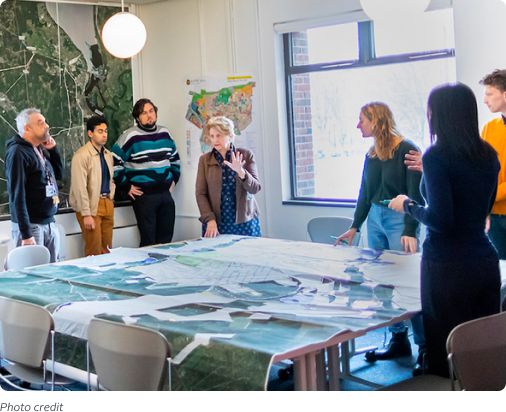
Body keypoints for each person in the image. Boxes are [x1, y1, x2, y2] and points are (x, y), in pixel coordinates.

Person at [388, 83, 501, 377]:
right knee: (483, 349)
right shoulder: (488, 154)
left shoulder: (436, 156)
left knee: (447, 354)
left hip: (448, 265)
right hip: (484, 259)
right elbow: (484, 207)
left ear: (438, 115)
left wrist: (407, 204)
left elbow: (440, 219)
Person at [334, 102, 425, 365]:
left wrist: (410, 228)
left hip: (400, 218)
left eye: (361, 120)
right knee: (384, 282)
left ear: (376, 121)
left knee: (410, 283)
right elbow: (365, 192)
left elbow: (414, 192)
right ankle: (399, 340)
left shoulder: (407, 148)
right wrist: (355, 226)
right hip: (375, 217)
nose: (358, 125)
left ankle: (424, 347)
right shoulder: (372, 154)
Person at [112, 99, 181, 247]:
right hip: (144, 197)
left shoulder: (165, 133)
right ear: (137, 118)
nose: (149, 115)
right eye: (144, 113)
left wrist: (173, 180)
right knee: (149, 241)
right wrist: (126, 186)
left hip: (165, 194)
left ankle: (163, 269)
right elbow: (113, 162)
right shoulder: (130, 136)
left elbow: (175, 159)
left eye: (151, 111)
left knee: (166, 241)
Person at [5, 108, 63, 262]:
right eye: (41, 123)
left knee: (53, 273)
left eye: (45, 121)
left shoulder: (38, 149)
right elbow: (17, 195)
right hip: (32, 226)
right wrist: (26, 234)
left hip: (49, 223)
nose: (47, 126)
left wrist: (53, 151)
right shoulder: (18, 152)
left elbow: (58, 175)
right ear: (27, 128)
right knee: (33, 276)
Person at [196, 116, 261, 238]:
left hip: (244, 221)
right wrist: (209, 220)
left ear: (230, 136)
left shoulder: (246, 155)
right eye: (212, 136)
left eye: (219, 135)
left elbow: (255, 188)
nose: (215, 140)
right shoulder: (204, 160)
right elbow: (201, 193)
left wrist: (241, 172)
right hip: (215, 223)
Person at [70, 116, 115, 256]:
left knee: (107, 250)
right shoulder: (81, 155)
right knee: (94, 250)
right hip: (91, 206)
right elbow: (80, 187)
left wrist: (111, 196)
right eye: (100, 131)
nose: (104, 135)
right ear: (90, 133)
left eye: (106, 131)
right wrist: (86, 213)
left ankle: (107, 277)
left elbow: (111, 179)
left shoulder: (107, 154)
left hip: (106, 202)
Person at [479, 69, 506, 259]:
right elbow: (481, 171)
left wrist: (490, 195)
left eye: (489, 94)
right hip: (494, 219)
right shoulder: (489, 128)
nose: (485, 100)